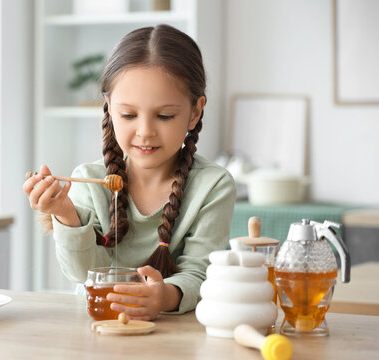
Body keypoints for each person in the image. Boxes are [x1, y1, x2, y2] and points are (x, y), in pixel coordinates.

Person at [23, 24, 236, 320]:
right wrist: (64, 213)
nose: (145, 132)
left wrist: (162, 297)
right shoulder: (90, 181)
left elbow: (200, 275)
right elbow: (82, 274)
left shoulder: (213, 186)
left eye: (164, 116)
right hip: (101, 331)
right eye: (129, 115)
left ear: (195, 112)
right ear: (109, 108)